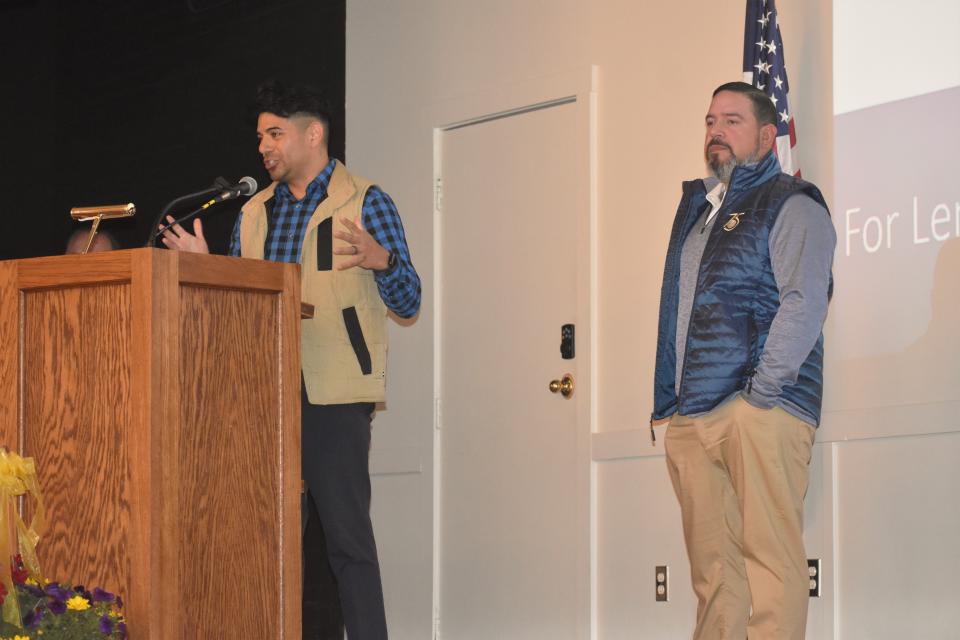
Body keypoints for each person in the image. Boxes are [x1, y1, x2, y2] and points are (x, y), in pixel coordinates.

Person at [160, 80, 421, 640]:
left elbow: (410, 301)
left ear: (313, 133)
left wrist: (383, 261)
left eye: (275, 134)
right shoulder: (254, 211)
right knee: (268, 543)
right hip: (263, 394)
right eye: (260, 137)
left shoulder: (365, 200)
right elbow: (238, 307)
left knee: (347, 541)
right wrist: (209, 268)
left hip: (334, 393)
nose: (264, 147)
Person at [651, 82, 836, 640]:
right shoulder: (699, 211)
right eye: (710, 120)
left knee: (772, 567)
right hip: (690, 417)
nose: (715, 131)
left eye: (731, 120)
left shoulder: (792, 201)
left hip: (760, 411)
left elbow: (806, 300)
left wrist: (761, 394)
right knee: (714, 577)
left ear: (766, 135)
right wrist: (676, 405)